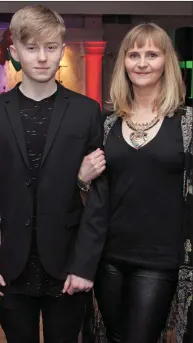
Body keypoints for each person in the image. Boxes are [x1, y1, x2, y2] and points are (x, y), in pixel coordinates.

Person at [0, 5, 107, 343]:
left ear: (62, 49)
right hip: (8, 266)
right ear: (14, 52)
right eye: (31, 48)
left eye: (51, 47)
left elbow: (100, 198)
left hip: (68, 266)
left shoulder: (87, 112)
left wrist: (85, 265)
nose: (42, 57)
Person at [74, 23, 192, 343]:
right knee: (113, 337)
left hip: (159, 258)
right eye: (134, 54)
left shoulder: (186, 123)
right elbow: (94, 198)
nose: (141, 62)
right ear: (123, 62)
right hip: (109, 256)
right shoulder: (107, 124)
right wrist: (82, 179)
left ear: (166, 61)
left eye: (151, 54)